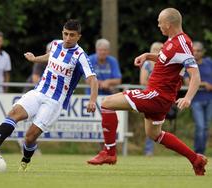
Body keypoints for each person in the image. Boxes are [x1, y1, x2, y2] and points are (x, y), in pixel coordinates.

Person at [87, 8, 208, 176]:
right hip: (160, 97)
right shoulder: (172, 41)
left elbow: (195, 75)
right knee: (154, 134)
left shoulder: (182, 44)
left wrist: (188, 98)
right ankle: (195, 159)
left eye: (160, 22)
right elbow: (166, 60)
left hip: (157, 95)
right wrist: (147, 56)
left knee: (107, 103)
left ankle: (109, 153)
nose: (158, 25)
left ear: (169, 23)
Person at [0, 19, 98, 171]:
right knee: (13, 113)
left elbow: (93, 79)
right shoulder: (56, 44)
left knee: (29, 137)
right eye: (65, 34)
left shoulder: (80, 56)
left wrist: (92, 100)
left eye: (72, 35)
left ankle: (25, 160)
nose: (68, 38)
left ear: (79, 37)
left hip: (54, 101)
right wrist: (34, 59)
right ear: (62, 33)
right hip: (39, 92)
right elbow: (50, 56)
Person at [184, 41, 212, 154]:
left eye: (198, 51)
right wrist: (204, 84)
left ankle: (202, 152)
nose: (196, 53)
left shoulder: (209, 62)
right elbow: (187, 82)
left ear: (202, 52)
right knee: (200, 126)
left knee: (205, 127)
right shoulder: (189, 64)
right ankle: (197, 152)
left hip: (210, 99)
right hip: (196, 100)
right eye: (194, 50)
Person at [140, 42, 163, 156]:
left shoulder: (166, 63)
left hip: (162, 97)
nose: (157, 52)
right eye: (155, 49)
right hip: (149, 96)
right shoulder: (147, 64)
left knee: (157, 124)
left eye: (159, 49)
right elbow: (143, 81)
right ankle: (149, 150)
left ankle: (163, 148)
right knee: (151, 123)